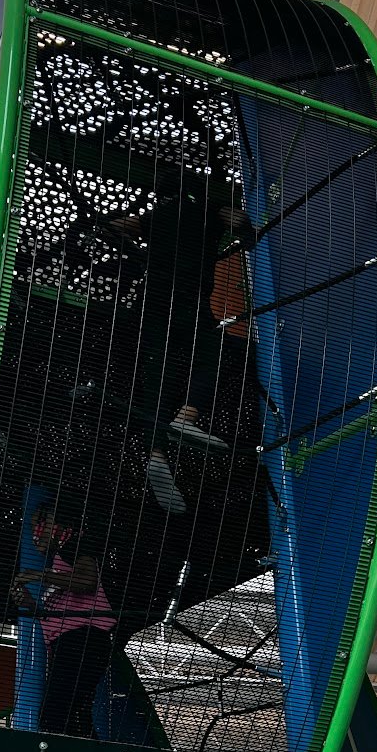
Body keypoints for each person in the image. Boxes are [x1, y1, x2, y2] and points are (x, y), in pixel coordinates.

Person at [109, 185, 254, 515]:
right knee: (213, 353)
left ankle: (156, 453)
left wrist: (125, 239)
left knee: (158, 376)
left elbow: (120, 225)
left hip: (154, 300)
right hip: (189, 299)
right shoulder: (208, 210)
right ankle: (186, 417)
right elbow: (238, 221)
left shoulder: (159, 216)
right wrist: (248, 233)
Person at [10, 504, 116, 737]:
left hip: (83, 639)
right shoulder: (58, 565)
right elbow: (59, 616)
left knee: (55, 716)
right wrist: (30, 604)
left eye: (42, 522)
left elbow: (87, 581)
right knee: (71, 714)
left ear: (60, 524)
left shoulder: (72, 547)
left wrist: (40, 575)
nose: (36, 532)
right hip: (72, 644)